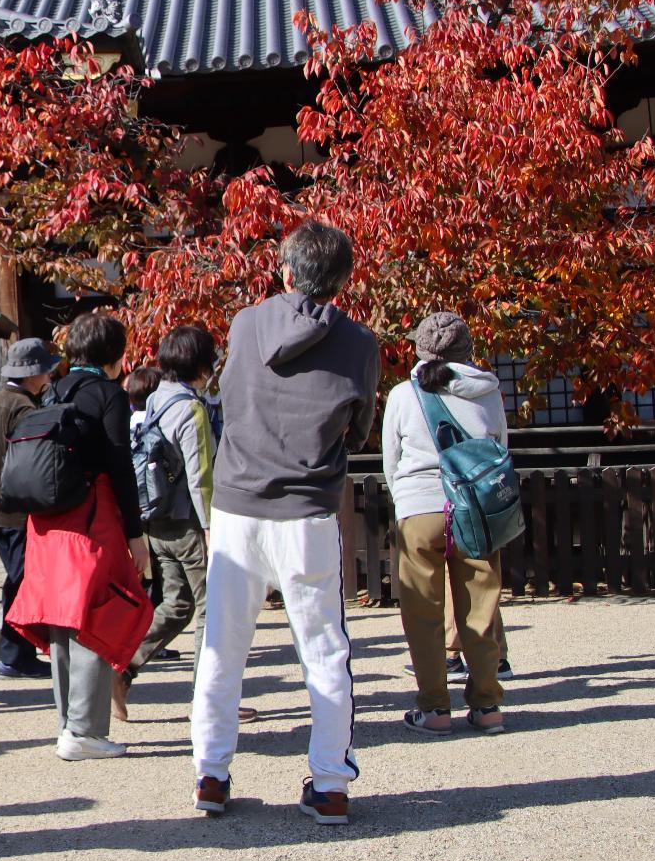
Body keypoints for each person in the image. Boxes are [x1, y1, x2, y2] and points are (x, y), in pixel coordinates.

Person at [190, 220, 378, 825]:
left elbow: (232, 396)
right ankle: (329, 783)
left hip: (239, 502)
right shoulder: (360, 343)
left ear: (285, 270)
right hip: (308, 508)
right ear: (344, 281)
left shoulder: (247, 323)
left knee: (222, 646)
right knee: (323, 648)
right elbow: (361, 426)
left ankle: (211, 776)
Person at [7, 313, 153, 760]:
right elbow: (120, 467)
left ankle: (69, 726)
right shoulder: (109, 394)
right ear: (115, 355)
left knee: (62, 619)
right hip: (91, 517)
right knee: (97, 613)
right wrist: (135, 532)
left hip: (47, 522)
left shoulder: (54, 390)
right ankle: (86, 732)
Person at [383, 313, 510, 736]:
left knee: (423, 612)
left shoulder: (404, 394)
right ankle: (487, 703)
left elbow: (391, 460)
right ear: (468, 350)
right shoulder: (488, 392)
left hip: (420, 508)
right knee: (480, 605)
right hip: (474, 506)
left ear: (418, 350)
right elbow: (499, 449)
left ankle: (435, 706)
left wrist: (404, 497)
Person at [116, 325, 246, 721]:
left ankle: (120, 669)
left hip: (156, 520)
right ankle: (209, 701)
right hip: (190, 523)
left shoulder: (154, 399)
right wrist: (212, 528)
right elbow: (200, 473)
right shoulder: (190, 409)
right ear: (202, 363)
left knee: (176, 604)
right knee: (211, 608)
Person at [0, 337, 56, 679]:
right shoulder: (25, 410)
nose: (48, 376)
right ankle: (15, 655)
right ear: (34, 374)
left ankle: (16, 652)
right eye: (45, 370)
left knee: (17, 580)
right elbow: (22, 468)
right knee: (20, 582)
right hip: (16, 513)